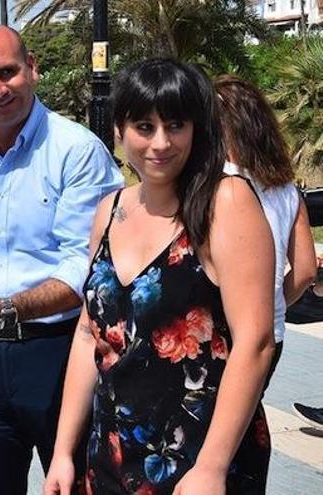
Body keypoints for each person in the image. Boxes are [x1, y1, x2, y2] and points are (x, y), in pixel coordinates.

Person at [44, 58, 275, 495]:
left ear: (196, 129)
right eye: (144, 127)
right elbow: (87, 337)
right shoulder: (109, 210)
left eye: (175, 125)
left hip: (199, 459)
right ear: (119, 129)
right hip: (112, 454)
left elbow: (256, 341)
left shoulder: (223, 202)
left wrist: (211, 467)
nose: (161, 143)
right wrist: (62, 451)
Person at [0, 25, 122, 494]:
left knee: (74, 485)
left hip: (63, 352)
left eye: (7, 72)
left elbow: (89, 268)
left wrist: (3, 309)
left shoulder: (76, 151)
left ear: (32, 67)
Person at [214, 75, 317, 386]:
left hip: (219, 330)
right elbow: (306, 270)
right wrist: (273, 304)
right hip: (272, 331)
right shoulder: (286, 188)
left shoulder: (216, 183)